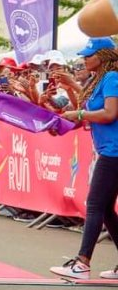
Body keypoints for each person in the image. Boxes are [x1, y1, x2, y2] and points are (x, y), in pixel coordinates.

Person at [50, 37, 118, 280]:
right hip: (110, 150)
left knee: (95, 205)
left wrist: (78, 114)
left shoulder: (112, 78)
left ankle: (82, 264)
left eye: (89, 55)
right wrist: (63, 124)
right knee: (105, 209)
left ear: (104, 56)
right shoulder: (100, 79)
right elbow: (90, 115)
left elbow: (109, 114)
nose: (84, 59)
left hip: (114, 152)